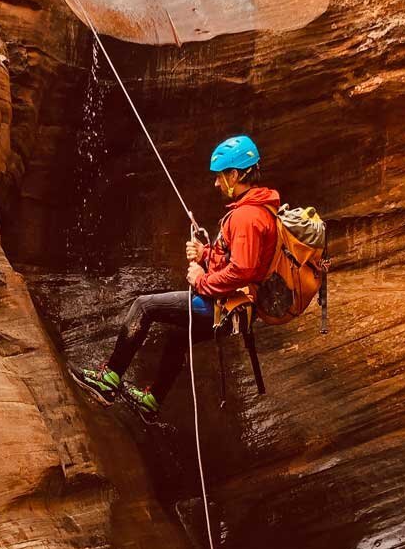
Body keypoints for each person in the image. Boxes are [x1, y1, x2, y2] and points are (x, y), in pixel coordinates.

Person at [76, 135, 280, 414]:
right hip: (233, 304)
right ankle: (151, 402)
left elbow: (242, 270)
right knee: (177, 338)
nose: (216, 183)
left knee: (144, 307)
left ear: (234, 174)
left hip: (224, 307)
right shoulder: (258, 210)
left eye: (220, 176)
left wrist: (200, 280)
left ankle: (108, 380)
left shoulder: (247, 217)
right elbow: (243, 262)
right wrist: (205, 254)